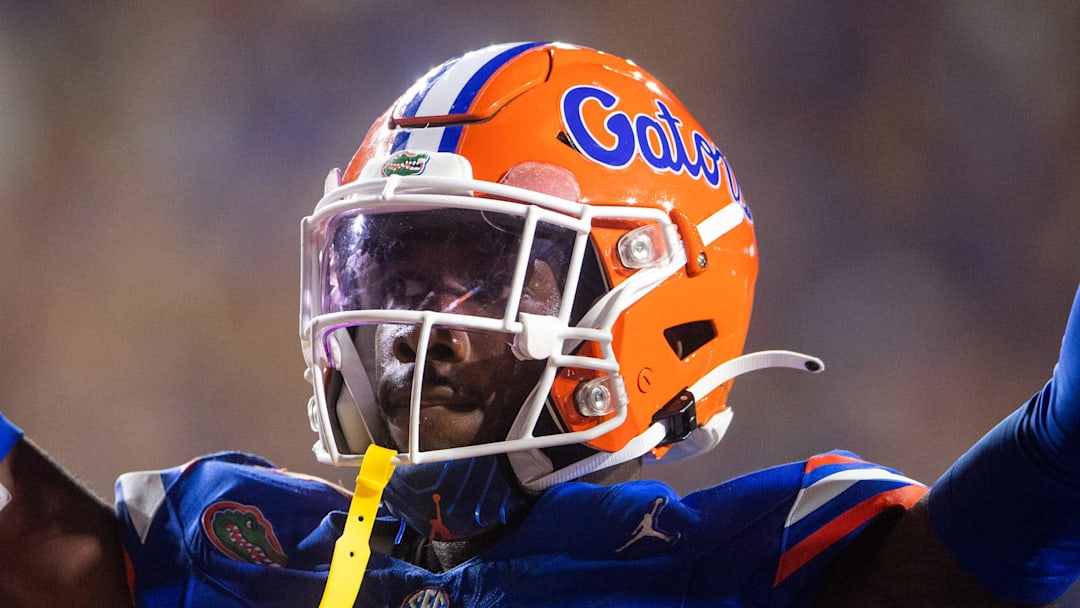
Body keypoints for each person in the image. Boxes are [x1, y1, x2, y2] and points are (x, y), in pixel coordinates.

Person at [1, 40, 1079, 607]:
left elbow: (1045, 473)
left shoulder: (732, 570)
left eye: (477, 269)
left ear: (656, 299)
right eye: (396, 261)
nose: (414, 320)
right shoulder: (234, 542)